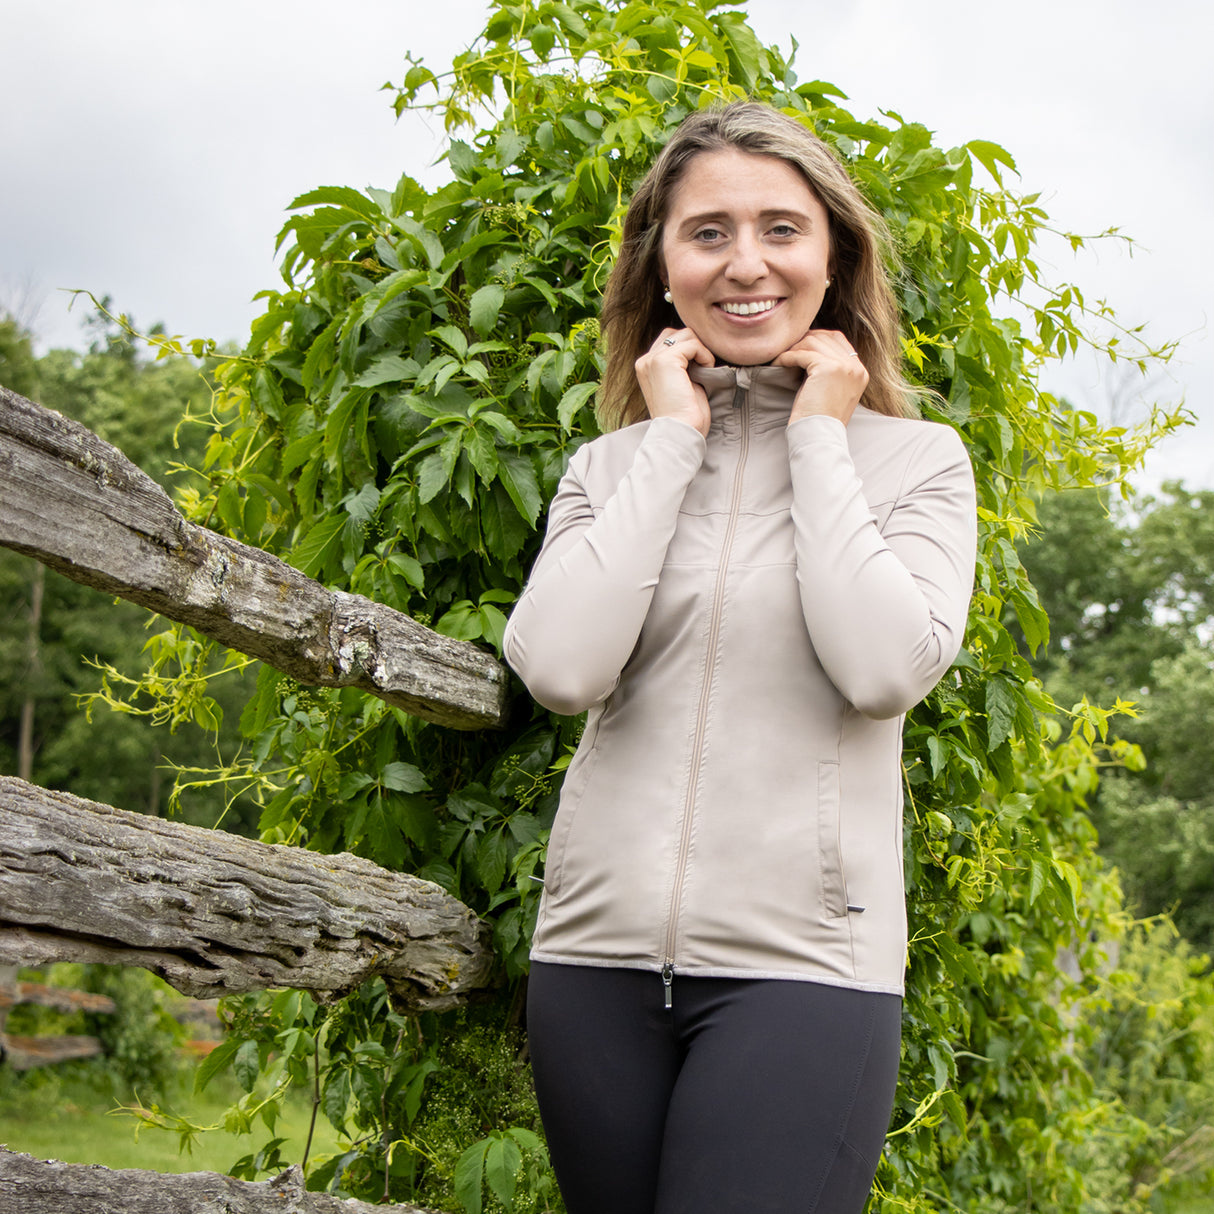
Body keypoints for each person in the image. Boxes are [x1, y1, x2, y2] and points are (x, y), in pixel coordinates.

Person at [502, 100, 976, 1214]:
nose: (743, 262)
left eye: (779, 228)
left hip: (805, 972)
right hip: (591, 964)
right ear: (662, 266)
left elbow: (882, 668)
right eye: (706, 231)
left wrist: (818, 431)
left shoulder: (916, 463)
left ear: (831, 257)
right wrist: (670, 438)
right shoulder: (609, 465)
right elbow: (560, 669)